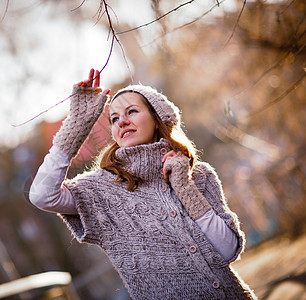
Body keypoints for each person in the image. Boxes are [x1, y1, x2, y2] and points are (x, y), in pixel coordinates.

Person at [29, 69, 256, 299]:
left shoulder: (198, 175)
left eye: (132, 111)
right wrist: (76, 126)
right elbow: (42, 195)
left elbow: (228, 251)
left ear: (157, 119)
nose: (122, 122)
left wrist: (184, 187)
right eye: (114, 118)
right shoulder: (101, 190)